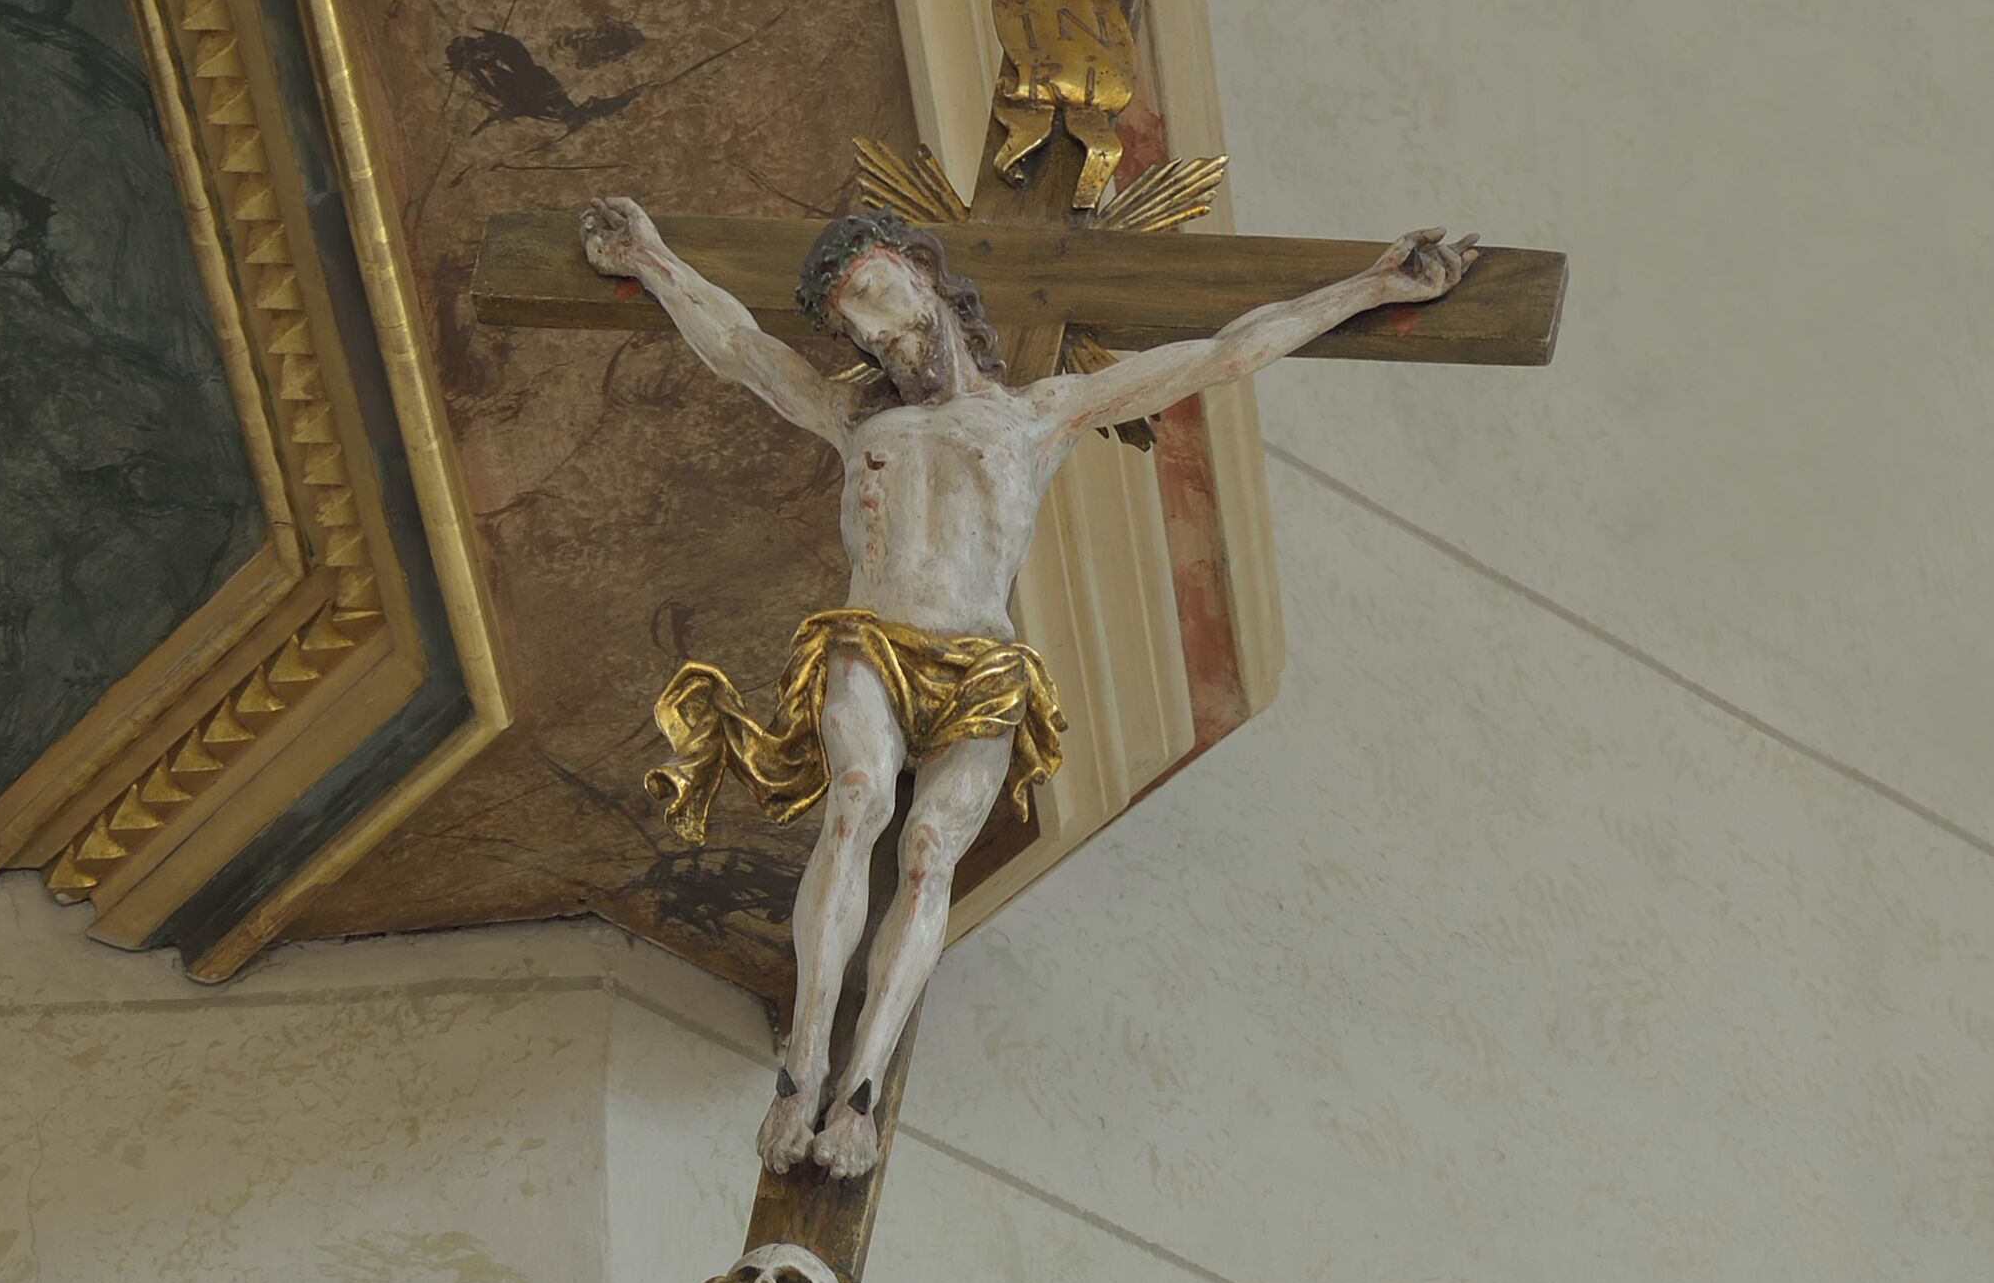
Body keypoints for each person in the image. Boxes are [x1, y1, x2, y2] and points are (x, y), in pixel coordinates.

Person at [579, 192, 1475, 1175]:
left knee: (926, 853)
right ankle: (801, 1063)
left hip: (981, 662)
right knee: (858, 799)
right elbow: (740, 347)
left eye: (880, 298)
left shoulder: (1034, 416)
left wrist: (1375, 284)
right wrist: (651, 257)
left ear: (929, 284)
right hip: (871, 643)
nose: (877, 336)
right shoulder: (850, 416)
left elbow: (1223, 352)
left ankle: (860, 1089)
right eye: (856, 326)